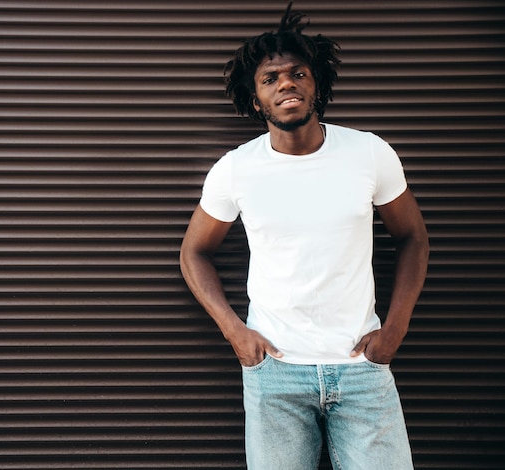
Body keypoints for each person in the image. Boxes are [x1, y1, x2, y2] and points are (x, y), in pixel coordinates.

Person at [179, 3, 429, 469]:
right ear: (255, 101)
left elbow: (413, 237)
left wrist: (394, 329)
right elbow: (194, 252)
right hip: (274, 372)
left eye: (297, 73)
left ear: (316, 85)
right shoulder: (236, 169)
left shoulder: (368, 153)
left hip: (363, 372)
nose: (286, 84)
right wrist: (235, 332)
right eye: (270, 79)